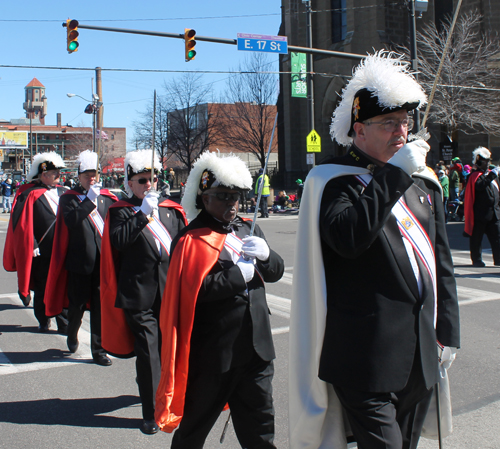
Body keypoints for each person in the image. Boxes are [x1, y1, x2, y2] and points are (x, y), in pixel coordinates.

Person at [289, 51, 460, 449]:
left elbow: (441, 264)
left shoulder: (421, 181)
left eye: (405, 122)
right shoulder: (333, 181)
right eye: (389, 123)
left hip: (421, 355)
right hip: (364, 360)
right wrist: (396, 172)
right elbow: (349, 238)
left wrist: (448, 330)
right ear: (358, 129)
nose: (401, 132)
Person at [155, 151, 284, 448]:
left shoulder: (246, 228)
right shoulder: (191, 238)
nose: (232, 203)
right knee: (194, 429)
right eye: (223, 196)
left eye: (236, 196)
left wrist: (266, 255)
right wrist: (237, 276)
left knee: (261, 429)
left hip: (257, 349)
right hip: (215, 355)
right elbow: (191, 294)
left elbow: (274, 272)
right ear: (205, 198)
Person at [100, 149, 187, 434]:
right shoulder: (121, 210)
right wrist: (143, 215)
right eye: (141, 180)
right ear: (129, 183)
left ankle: (165, 395)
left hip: (169, 293)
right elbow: (119, 242)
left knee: (168, 352)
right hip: (139, 295)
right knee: (149, 354)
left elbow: (182, 247)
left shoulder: (170, 210)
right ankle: (150, 413)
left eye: (151, 178)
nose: (148, 184)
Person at [45, 150, 117, 366]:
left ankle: (99, 350)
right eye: (87, 175)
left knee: (99, 307)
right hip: (79, 262)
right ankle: (72, 333)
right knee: (76, 305)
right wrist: (89, 202)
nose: (91, 179)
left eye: (94, 174)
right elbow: (71, 221)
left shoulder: (106, 198)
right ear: (79, 176)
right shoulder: (68, 198)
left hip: (102, 262)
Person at [3, 152, 69, 333]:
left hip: (62, 248)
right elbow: (21, 222)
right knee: (42, 287)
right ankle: (43, 319)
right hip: (43, 250)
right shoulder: (29, 194)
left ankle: (64, 322)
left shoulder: (65, 192)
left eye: (58, 172)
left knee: (62, 285)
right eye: (54, 172)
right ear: (43, 175)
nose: (58, 175)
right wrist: (31, 244)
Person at [464, 146, 500, 267]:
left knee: (497, 237)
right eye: (485, 161)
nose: (488, 163)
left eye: (488, 161)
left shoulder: (491, 175)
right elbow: (480, 186)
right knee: (476, 239)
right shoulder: (474, 176)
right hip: (479, 215)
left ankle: (498, 259)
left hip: (494, 213)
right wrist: (492, 176)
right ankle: (477, 259)